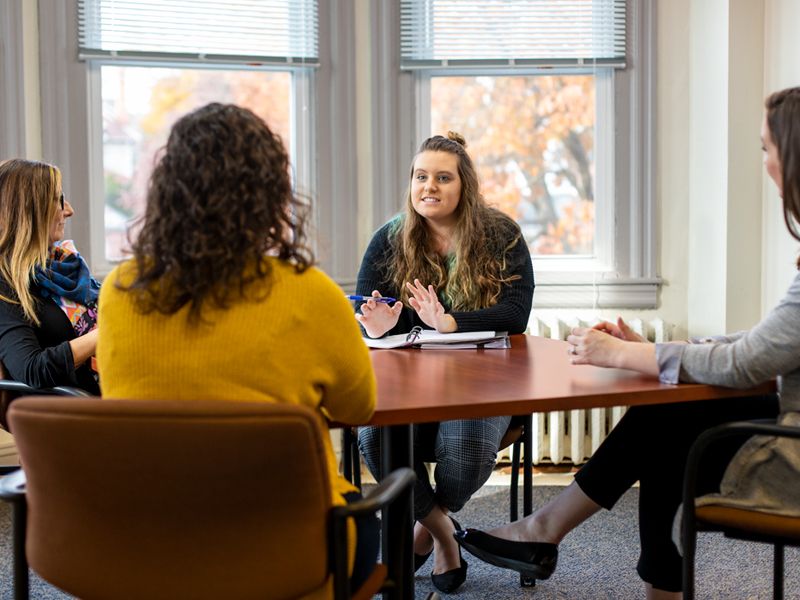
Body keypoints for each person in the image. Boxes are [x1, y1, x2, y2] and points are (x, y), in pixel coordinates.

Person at [455, 86, 800, 600]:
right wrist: (653, 350)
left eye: (767, 148)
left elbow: (749, 360)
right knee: (667, 416)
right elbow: (768, 341)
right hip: (785, 421)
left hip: (792, 454)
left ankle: (548, 532)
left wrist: (625, 354)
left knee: (667, 432)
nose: (765, 162)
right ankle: (553, 534)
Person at [96, 103, 378, 594]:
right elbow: (359, 408)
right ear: (270, 193)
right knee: (369, 520)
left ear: (168, 190)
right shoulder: (311, 293)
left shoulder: (121, 290)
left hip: (151, 545)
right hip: (291, 552)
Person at [355, 132, 534, 593]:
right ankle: (444, 534)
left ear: (464, 186)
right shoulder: (389, 239)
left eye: (442, 178)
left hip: (483, 384)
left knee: (467, 450)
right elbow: (369, 317)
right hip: (409, 387)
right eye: (420, 177)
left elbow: (515, 314)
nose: (428, 187)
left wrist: (451, 322)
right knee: (374, 438)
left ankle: (422, 532)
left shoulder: (502, 235)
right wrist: (376, 327)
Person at [0, 158, 100, 405]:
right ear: (29, 211)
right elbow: (32, 369)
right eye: (58, 200)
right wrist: (106, 334)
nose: (69, 210)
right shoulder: (6, 284)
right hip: (80, 409)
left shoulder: (65, 263)